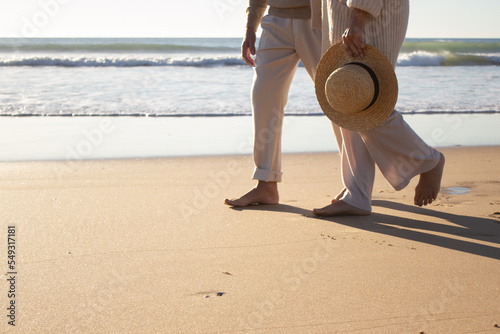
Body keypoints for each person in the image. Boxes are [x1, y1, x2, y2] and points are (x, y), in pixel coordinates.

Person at [311, 0, 445, 216]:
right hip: (341, 12)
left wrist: (358, 17)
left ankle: (428, 159)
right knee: (348, 101)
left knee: (371, 100)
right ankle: (357, 194)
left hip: (370, 14)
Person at [225, 0, 327, 207]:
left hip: (318, 19)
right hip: (275, 20)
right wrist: (250, 27)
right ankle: (266, 185)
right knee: (263, 96)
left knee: (336, 97)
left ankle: (355, 184)